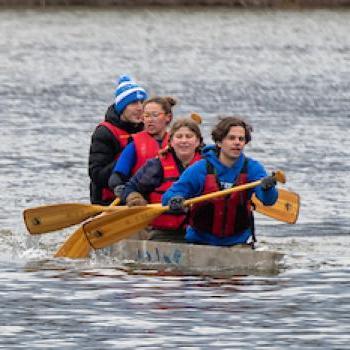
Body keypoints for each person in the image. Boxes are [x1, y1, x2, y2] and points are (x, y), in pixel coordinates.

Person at [162, 116, 278, 247]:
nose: (237, 142)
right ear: (219, 142)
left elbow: (269, 201)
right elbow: (170, 195)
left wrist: (268, 189)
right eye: (231, 138)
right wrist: (175, 199)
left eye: (241, 139)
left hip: (237, 243)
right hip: (200, 243)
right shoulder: (200, 169)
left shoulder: (253, 169)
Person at [121, 117, 203, 237]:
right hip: (163, 233)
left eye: (189, 136)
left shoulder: (208, 166)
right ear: (171, 142)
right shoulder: (156, 166)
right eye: (179, 137)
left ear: (197, 142)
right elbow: (130, 188)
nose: (184, 141)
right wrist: (134, 198)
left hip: (199, 233)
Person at [88, 75, 147, 205]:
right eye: (133, 103)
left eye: (142, 102)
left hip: (141, 196)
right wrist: (127, 158)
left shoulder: (148, 129)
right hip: (110, 200)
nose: (140, 108)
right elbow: (97, 175)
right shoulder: (104, 132)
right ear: (122, 108)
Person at [108, 96, 176, 195]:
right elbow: (116, 176)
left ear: (168, 117)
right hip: (143, 200)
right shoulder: (135, 144)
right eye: (147, 116)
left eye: (155, 115)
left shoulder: (179, 143)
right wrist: (120, 189)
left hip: (174, 198)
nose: (150, 120)